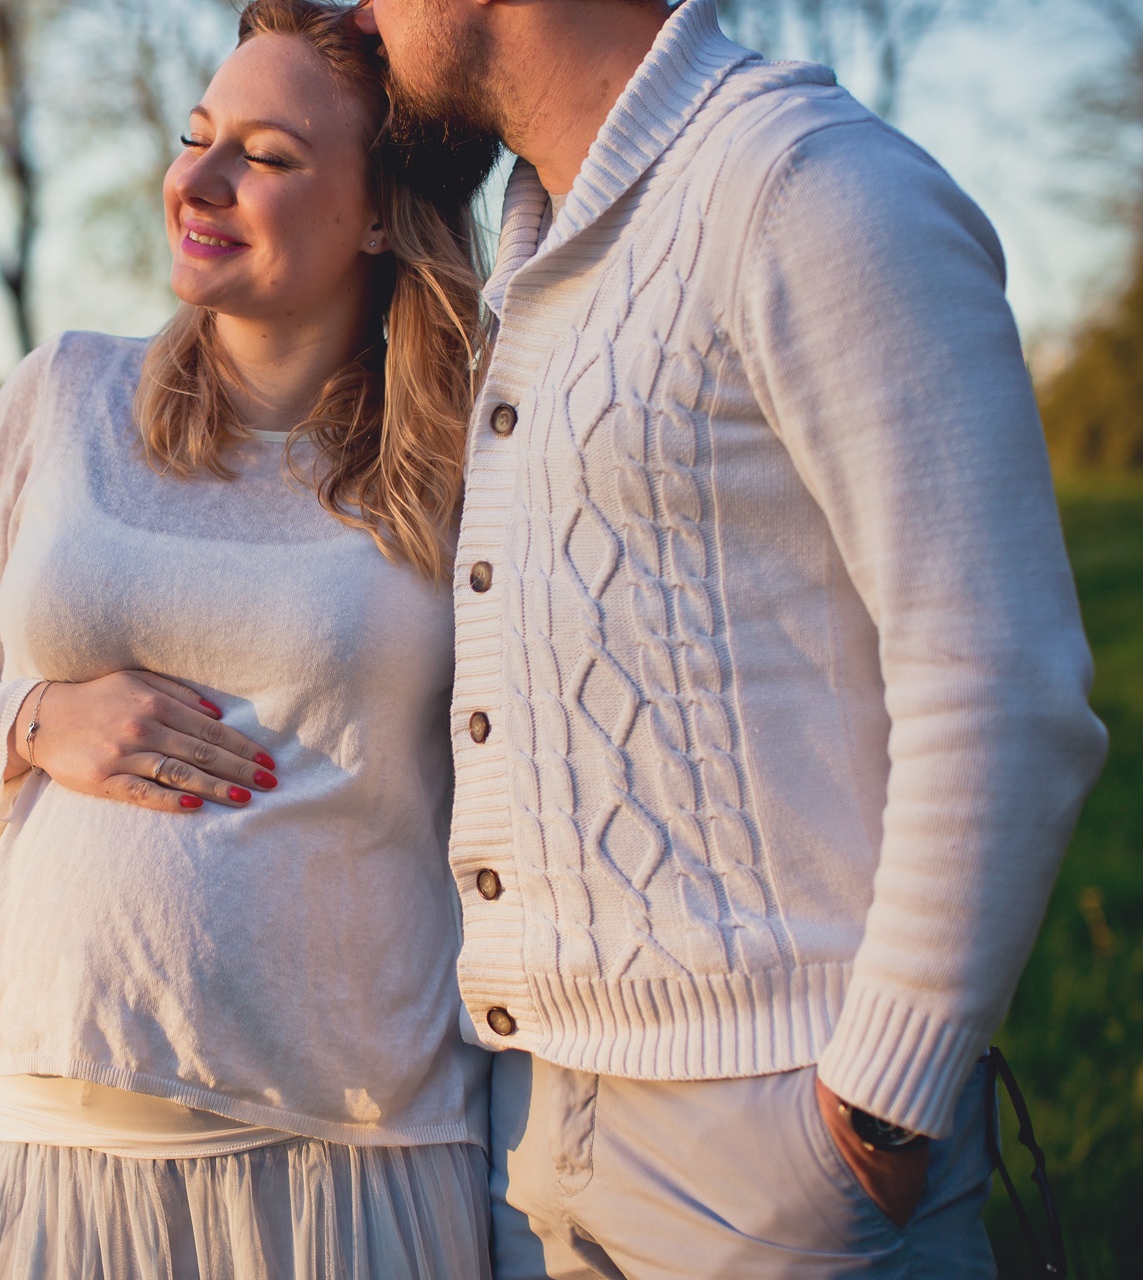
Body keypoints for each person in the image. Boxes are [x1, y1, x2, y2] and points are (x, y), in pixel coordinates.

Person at [351, 0, 1110, 1276]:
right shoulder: (543, 252)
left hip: (777, 1148)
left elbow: (1002, 674)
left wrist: (882, 1094)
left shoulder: (805, 186)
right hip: (532, 1130)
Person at [0, 1, 505, 1273]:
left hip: (355, 1155)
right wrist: (38, 722)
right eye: (196, 134)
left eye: (266, 156)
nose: (198, 181)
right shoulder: (66, 391)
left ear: (380, 211)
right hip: (49, 1141)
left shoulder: (471, 450)